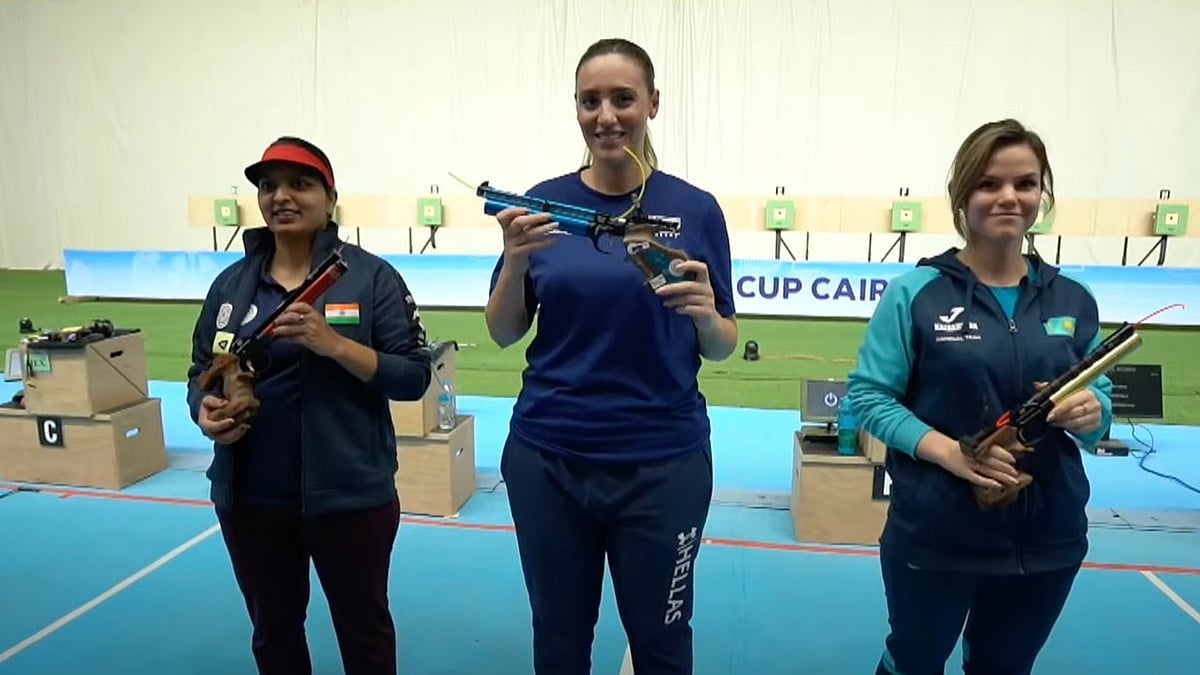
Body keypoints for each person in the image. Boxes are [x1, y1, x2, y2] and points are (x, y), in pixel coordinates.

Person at [484, 38, 738, 675]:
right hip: (550, 460)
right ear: (576, 108)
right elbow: (503, 331)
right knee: (560, 641)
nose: (607, 115)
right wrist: (515, 262)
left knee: (662, 643)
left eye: (623, 98)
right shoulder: (541, 205)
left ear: (652, 103)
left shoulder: (695, 209)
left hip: (663, 465)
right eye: (590, 100)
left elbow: (723, 343)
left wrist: (707, 314)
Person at [848, 118, 1114, 675]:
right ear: (962, 195)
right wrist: (952, 454)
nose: (1008, 197)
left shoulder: (1074, 297)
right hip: (937, 533)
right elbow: (870, 398)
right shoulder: (915, 294)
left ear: (1042, 193)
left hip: (1049, 537)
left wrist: (1094, 412)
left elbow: (1100, 392)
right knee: (914, 660)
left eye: (1025, 183)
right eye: (989, 184)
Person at [185, 136, 432, 675]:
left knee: (364, 631)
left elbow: (414, 376)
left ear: (329, 196)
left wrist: (333, 343)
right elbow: (201, 372)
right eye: (269, 186)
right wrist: (205, 410)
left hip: (351, 498)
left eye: (300, 183)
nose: (281, 197)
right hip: (251, 499)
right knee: (273, 634)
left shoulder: (371, 278)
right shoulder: (231, 286)